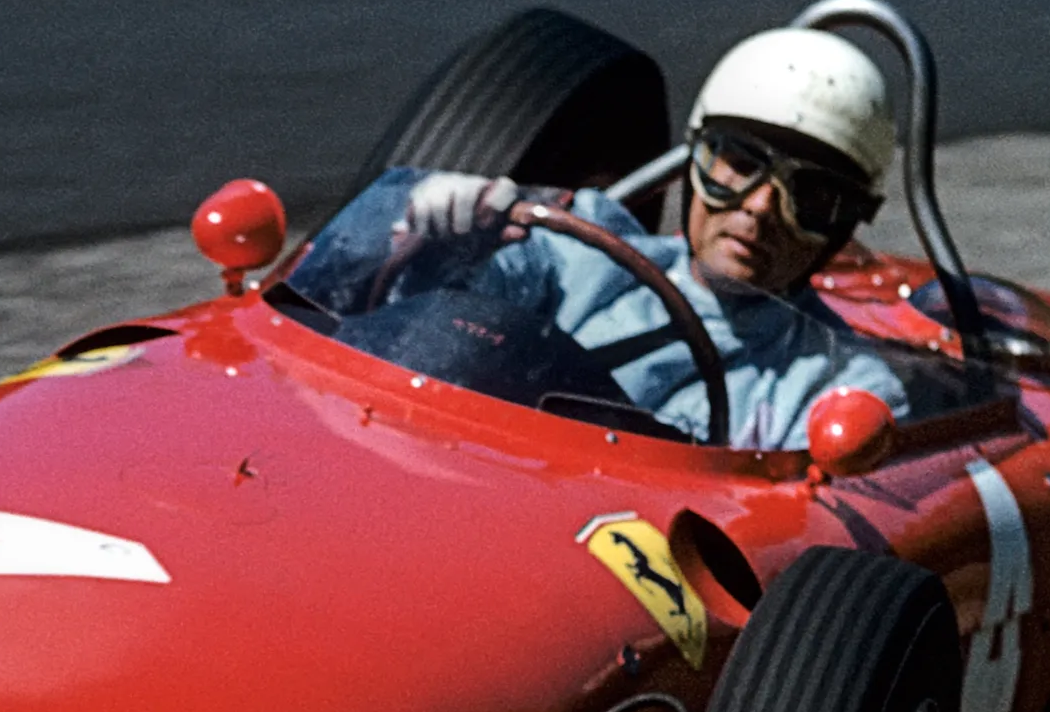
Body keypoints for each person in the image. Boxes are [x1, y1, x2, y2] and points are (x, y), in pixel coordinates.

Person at [344, 27, 919, 449]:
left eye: (812, 197)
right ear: (694, 163)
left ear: (844, 225)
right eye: (740, 164)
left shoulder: (839, 390)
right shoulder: (582, 254)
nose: (760, 208)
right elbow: (418, 320)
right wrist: (444, 238)